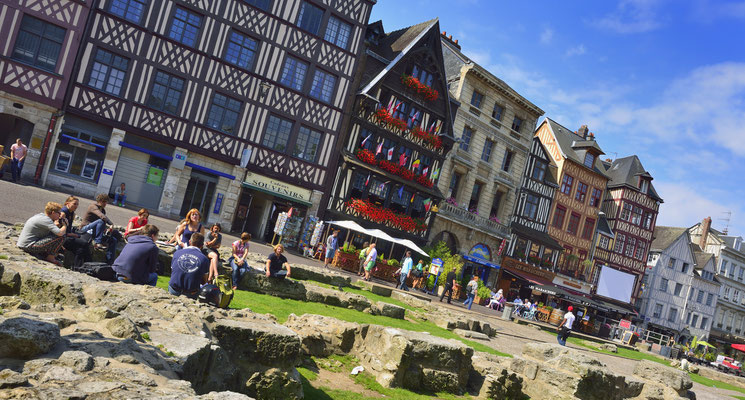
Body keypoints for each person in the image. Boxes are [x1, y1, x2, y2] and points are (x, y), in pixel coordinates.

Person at [168, 232, 210, 299]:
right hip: (191, 292)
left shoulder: (177, 253)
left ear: (190, 242)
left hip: (174, 289)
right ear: (202, 245)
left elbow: (173, 271)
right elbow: (204, 281)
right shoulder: (204, 259)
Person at [59, 196, 91, 269]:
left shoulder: (72, 213)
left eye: (77, 204)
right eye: (74, 204)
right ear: (67, 203)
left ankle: (78, 267)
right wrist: (71, 234)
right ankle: (89, 264)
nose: (76, 206)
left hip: (68, 236)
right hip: (62, 238)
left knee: (80, 250)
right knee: (84, 243)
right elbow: (59, 230)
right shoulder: (63, 213)